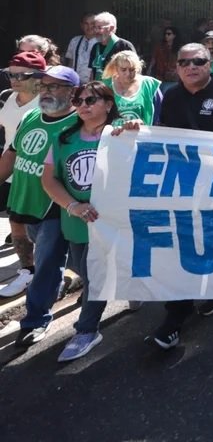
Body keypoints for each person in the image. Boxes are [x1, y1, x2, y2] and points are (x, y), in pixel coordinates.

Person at [123, 43, 213, 350]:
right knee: (182, 243)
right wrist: (139, 130)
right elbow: (164, 131)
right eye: (184, 62)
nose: (191, 66)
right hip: (183, 184)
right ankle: (174, 318)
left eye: (198, 61)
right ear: (177, 67)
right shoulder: (171, 95)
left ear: (209, 64)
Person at [40, 81, 121, 361]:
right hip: (76, 223)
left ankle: (86, 330)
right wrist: (72, 205)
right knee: (86, 272)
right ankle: (123, 288)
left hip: (110, 223)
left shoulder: (121, 135)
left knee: (94, 277)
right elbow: (49, 179)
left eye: (91, 100)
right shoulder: (63, 138)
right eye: (78, 101)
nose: (83, 106)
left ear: (108, 105)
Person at [1, 66, 79, 345]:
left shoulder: (80, 123)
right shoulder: (31, 116)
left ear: (72, 92)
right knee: (65, 260)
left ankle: (36, 319)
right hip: (23, 200)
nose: (46, 91)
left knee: (47, 264)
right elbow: (11, 155)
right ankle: (84, 280)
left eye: (54, 86)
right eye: (43, 86)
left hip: (55, 205)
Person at [0, 52, 46, 298]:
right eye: (10, 74)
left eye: (21, 75)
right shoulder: (7, 97)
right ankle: (27, 271)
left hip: (38, 174)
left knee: (43, 230)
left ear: (38, 76)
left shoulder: (47, 102)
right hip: (10, 171)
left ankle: (52, 272)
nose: (14, 80)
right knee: (16, 223)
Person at [103, 50, 162, 126]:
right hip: (113, 132)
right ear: (116, 68)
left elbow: (160, 114)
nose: (128, 73)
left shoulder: (149, 85)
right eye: (123, 70)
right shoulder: (106, 85)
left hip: (142, 132)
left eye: (132, 70)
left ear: (137, 68)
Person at [88, 12, 135, 80]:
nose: (96, 31)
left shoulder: (125, 46)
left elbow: (134, 71)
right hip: (98, 86)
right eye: (95, 27)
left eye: (99, 28)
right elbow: (93, 72)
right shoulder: (95, 47)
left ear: (111, 28)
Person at [63, 13, 98, 84]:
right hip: (75, 83)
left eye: (92, 24)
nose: (89, 27)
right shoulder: (75, 41)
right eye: (86, 24)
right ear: (82, 25)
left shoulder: (102, 43)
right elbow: (70, 63)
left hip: (92, 84)